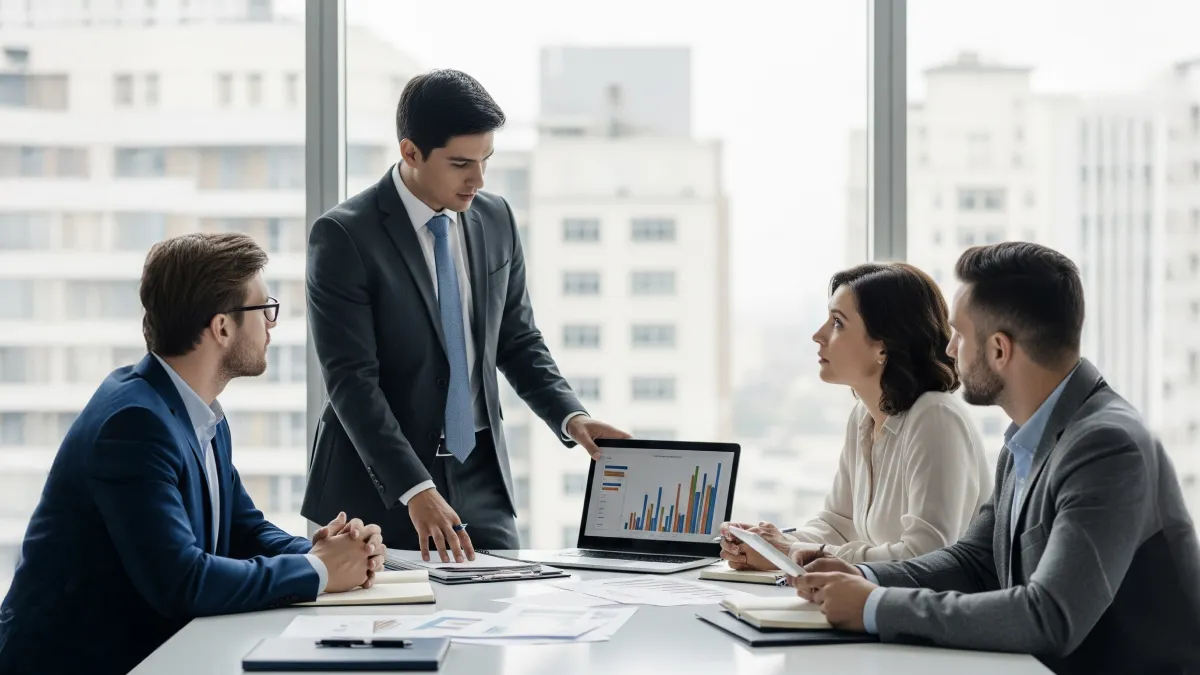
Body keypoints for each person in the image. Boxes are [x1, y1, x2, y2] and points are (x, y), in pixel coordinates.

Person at [796, 242, 1200, 675]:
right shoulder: (1025, 439)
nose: (949, 350)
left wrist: (876, 605)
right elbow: (973, 561)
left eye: (959, 335)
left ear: (999, 350)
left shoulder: (1107, 445)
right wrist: (865, 577)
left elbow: (1050, 616)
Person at [0, 233, 387, 675]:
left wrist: (333, 551)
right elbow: (183, 582)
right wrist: (318, 570)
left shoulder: (198, 412)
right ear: (222, 327)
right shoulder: (134, 425)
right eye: (264, 309)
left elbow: (243, 529)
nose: (272, 324)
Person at [303, 69, 628, 562]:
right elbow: (351, 381)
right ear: (411, 152)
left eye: (485, 161)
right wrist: (415, 488)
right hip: (379, 489)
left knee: (499, 602)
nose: (478, 179)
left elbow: (517, 340)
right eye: (460, 164)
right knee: (398, 612)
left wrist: (572, 417)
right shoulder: (344, 236)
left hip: (481, 475)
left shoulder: (496, 219)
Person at [720, 262, 991, 569]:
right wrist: (768, 545)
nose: (818, 335)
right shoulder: (864, 416)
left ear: (883, 346)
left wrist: (792, 551)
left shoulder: (935, 418)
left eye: (837, 322)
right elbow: (837, 525)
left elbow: (925, 556)